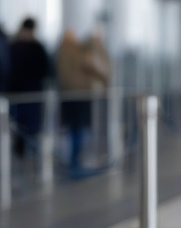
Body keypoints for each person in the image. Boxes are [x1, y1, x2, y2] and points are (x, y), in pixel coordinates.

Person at [55, 29, 109, 172]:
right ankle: (74, 162)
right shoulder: (72, 52)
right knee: (77, 129)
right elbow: (91, 66)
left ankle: (74, 161)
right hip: (77, 96)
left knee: (75, 129)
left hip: (73, 96)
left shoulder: (67, 51)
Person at [9, 18, 51, 154]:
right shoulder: (37, 47)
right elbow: (45, 69)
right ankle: (29, 155)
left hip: (16, 94)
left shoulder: (13, 46)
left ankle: (22, 153)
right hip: (31, 94)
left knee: (18, 127)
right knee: (30, 128)